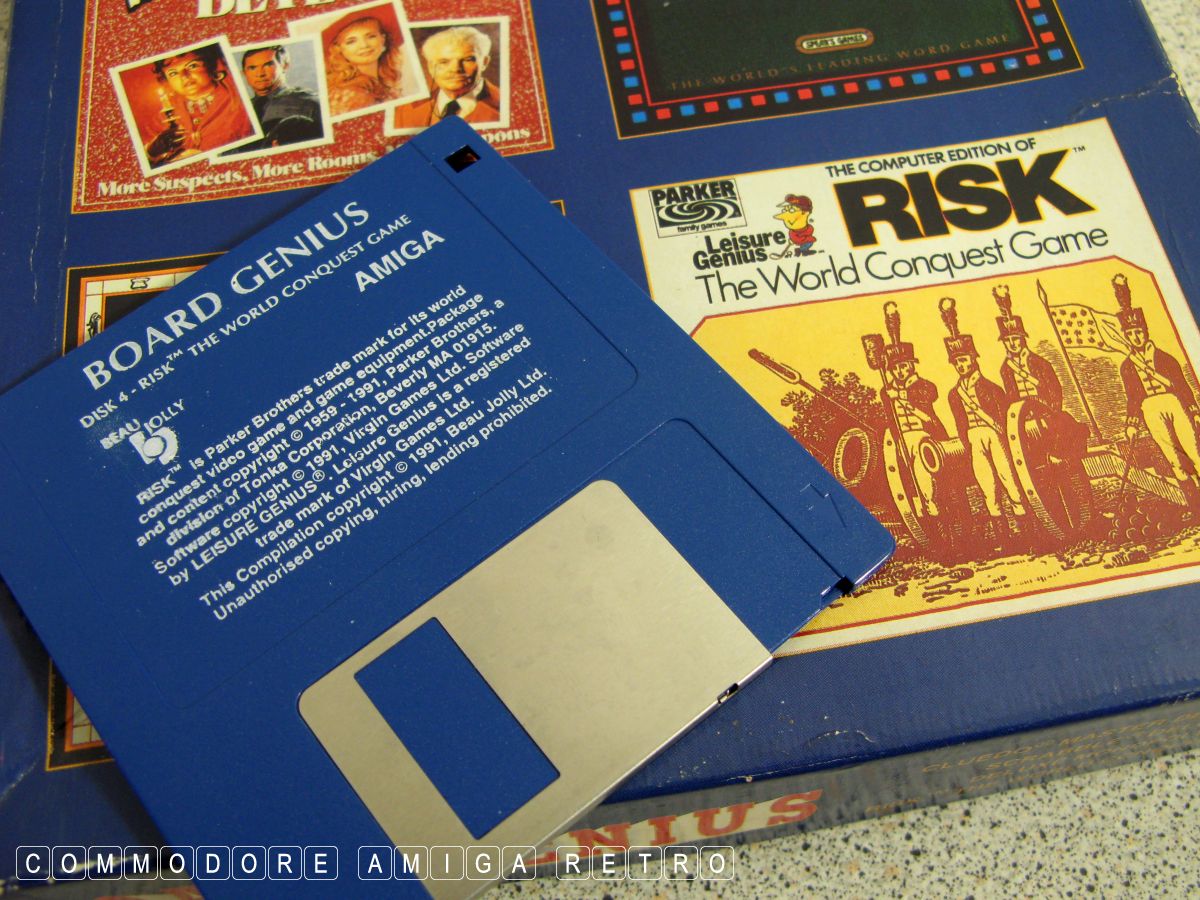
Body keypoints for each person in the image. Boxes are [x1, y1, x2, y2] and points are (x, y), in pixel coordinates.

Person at [941, 297, 1029, 526]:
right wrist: (968, 442)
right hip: (974, 439)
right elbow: (960, 424)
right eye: (957, 362)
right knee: (987, 487)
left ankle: (1026, 528)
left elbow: (1005, 419)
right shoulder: (954, 395)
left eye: (964, 360)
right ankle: (1003, 532)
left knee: (1009, 480)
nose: (961, 365)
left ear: (973, 358)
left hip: (995, 436)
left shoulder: (992, 388)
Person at [1114, 273, 1200, 494]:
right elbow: (1133, 397)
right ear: (1126, 336)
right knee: (1173, 458)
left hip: (1173, 403)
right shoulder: (1128, 366)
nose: (1136, 337)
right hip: (1149, 408)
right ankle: (1193, 500)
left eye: (1138, 332)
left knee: (1192, 449)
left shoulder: (1164, 358)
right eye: (1131, 334)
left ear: (1145, 332)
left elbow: (1181, 385)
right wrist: (1132, 423)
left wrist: (1193, 409)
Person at [993, 284, 1088, 462]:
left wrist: (1050, 412)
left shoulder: (1039, 363)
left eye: (1016, 339)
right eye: (1008, 340)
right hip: (1024, 417)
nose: (1012, 344)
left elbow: (1055, 390)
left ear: (1022, 339)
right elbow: (1012, 396)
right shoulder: (1006, 369)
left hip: (1047, 412)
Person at [878, 301, 946, 516]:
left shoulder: (923, 385)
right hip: (900, 439)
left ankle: (929, 501)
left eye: (903, 366)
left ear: (912, 365)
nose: (899, 371)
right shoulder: (886, 391)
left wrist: (900, 396)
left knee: (917, 448)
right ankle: (918, 507)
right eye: (895, 368)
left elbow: (928, 398)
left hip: (925, 435)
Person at [144, 45, 256, 167]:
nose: (184, 76)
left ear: (213, 67)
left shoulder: (239, 104)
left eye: (192, 66)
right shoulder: (164, 117)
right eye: (173, 73)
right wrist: (152, 151)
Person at [393, 25, 501, 128]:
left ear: (485, 62)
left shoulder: (505, 106)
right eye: (444, 62)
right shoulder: (403, 111)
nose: (455, 69)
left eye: (467, 60)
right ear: (430, 67)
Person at [324, 15, 413, 117]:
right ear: (338, 49)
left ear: (382, 39)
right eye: (351, 41)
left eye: (371, 36)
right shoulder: (354, 94)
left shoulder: (383, 84)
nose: (364, 45)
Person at [237, 45, 323, 150]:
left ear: (284, 66)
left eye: (268, 65)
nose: (260, 74)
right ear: (244, 73)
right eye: (252, 68)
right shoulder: (238, 113)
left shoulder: (309, 102)